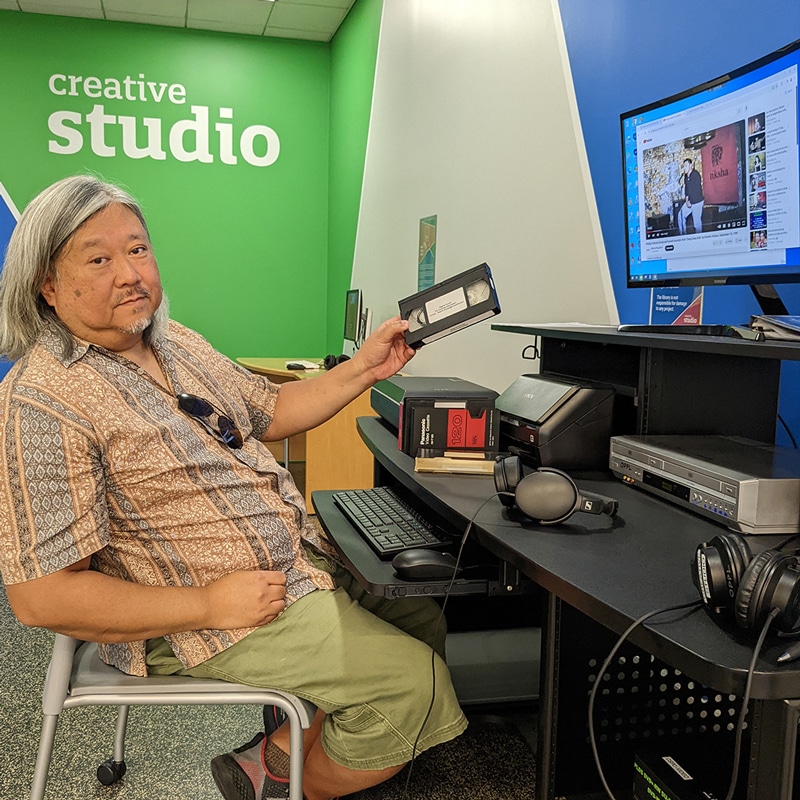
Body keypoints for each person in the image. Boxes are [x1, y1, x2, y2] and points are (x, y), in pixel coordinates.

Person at [0, 175, 468, 800]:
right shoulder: (40, 402)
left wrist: (365, 369)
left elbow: (269, 409)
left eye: (137, 249)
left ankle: (276, 756)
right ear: (47, 287)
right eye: (99, 258)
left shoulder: (174, 342)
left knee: (419, 619)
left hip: (293, 565)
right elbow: (42, 598)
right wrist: (208, 605)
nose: (130, 273)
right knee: (416, 685)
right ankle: (278, 784)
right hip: (201, 612)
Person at [677, 157, 704, 235]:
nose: (684, 168)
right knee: (680, 215)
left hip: (697, 201)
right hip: (690, 202)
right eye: (683, 166)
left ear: (691, 166)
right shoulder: (686, 177)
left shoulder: (695, 175)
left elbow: (694, 190)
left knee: (696, 223)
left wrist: (689, 202)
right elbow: (687, 190)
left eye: (686, 165)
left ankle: (700, 238)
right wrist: (686, 200)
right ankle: (683, 234)